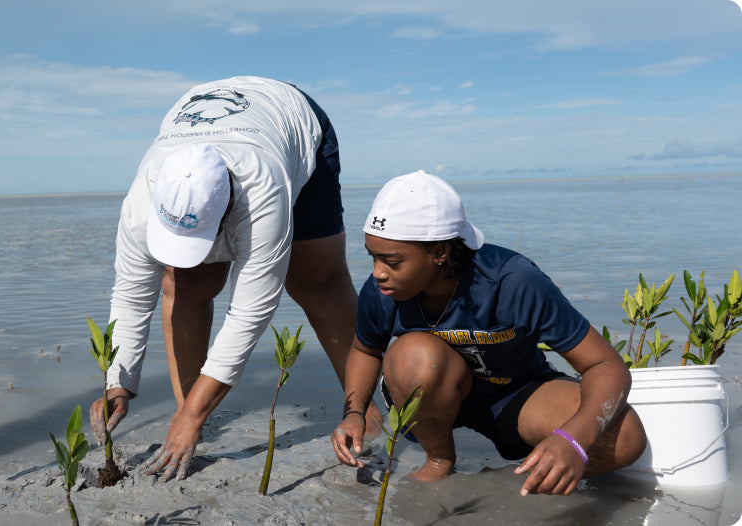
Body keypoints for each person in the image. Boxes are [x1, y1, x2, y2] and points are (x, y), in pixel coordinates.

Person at [90, 76, 379, 481]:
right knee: (186, 281)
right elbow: (132, 297)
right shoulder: (141, 203)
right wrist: (118, 381)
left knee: (317, 281)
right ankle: (189, 415)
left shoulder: (263, 190)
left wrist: (193, 414)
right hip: (201, 115)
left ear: (230, 209)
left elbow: (247, 316)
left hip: (290, 120)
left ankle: (370, 417)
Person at [331, 170, 647, 496]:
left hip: (516, 394)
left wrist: (573, 440)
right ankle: (440, 460)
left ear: (440, 253)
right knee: (414, 357)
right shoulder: (382, 289)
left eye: (392, 261)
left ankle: (529, 472)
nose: (378, 273)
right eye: (373, 258)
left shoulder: (514, 281)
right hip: (431, 391)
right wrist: (354, 414)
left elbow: (606, 366)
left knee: (626, 438)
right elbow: (366, 350)